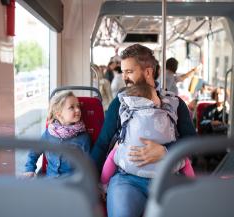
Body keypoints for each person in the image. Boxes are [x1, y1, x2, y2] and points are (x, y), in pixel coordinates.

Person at [91, 44, 196, 217]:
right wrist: (87, 180)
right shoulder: (120, 103)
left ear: (148, 72)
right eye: (123, 72)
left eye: (129, 72)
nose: (124, 77)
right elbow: (103, 144)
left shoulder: (175, 103)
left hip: (167, 178)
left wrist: (165, 151)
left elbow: (192, 144)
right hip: (128, 180)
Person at [101, 83, 192, 184]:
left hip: (132, 165)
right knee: (184, 160)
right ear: (151, 100)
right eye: (157, 96)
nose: (159, 98)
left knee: (114, 153)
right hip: (165, 168)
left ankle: (103, 184)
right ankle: (193, 184)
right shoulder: (167, 110)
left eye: (129, 71)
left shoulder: (127, 110)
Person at [24, 91, 91, 178]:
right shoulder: (49, 134)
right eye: (71, 107)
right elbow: (34, 152)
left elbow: (88, 166)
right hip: (50, 182)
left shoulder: (83, 138)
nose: (78, 110)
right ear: (58, 114)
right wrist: (29, 169)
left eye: (78, 106)